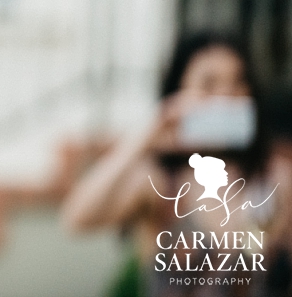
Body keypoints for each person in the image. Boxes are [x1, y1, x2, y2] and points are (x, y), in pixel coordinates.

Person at [62, 33, 292, 297]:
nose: (228, 94)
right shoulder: (161, 184)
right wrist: (151, 130)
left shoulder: (275, 180)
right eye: (209, 84)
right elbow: (77, 218)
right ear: (177, 94)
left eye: (239, 82)